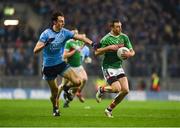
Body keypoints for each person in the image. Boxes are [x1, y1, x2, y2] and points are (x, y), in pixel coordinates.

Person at [33, 11, 93, 117]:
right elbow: (35, 50)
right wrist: (46, 44)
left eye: (63, 21)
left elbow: (81, 37)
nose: (63, 23)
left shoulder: (65, 32)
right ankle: (55, 108)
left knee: (78, 82)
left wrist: (92, 43)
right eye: (61, 21)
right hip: (48, 67)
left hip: (60, 63)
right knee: (54, 92)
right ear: (54, 22)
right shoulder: (46, 34)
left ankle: (66, 88)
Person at [95, 19, 135, 118]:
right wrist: (108, 48)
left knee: (125, 90)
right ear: (112, 27)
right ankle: (102, 90)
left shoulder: (124, 37)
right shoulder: (106, 39)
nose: (120, 28)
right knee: (117, 89)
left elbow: (132, 51)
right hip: (108, 67)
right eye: (117, 26)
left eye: (120, 26)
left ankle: (109, 109)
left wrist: (130, 54)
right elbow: (96, 52)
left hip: (118, 67)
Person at [60, 29, 91, 108]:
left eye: (78, 34)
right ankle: (57, 99)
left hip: (79, 66)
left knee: (84, 80)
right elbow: (64, 56)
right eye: (75, 34)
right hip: (70, 67)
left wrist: (88, 59)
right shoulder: (69, 43)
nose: (77, 35)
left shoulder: (86, 48)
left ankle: (73, 96)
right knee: (64, 85)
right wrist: (74, 50)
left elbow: (86, 55)